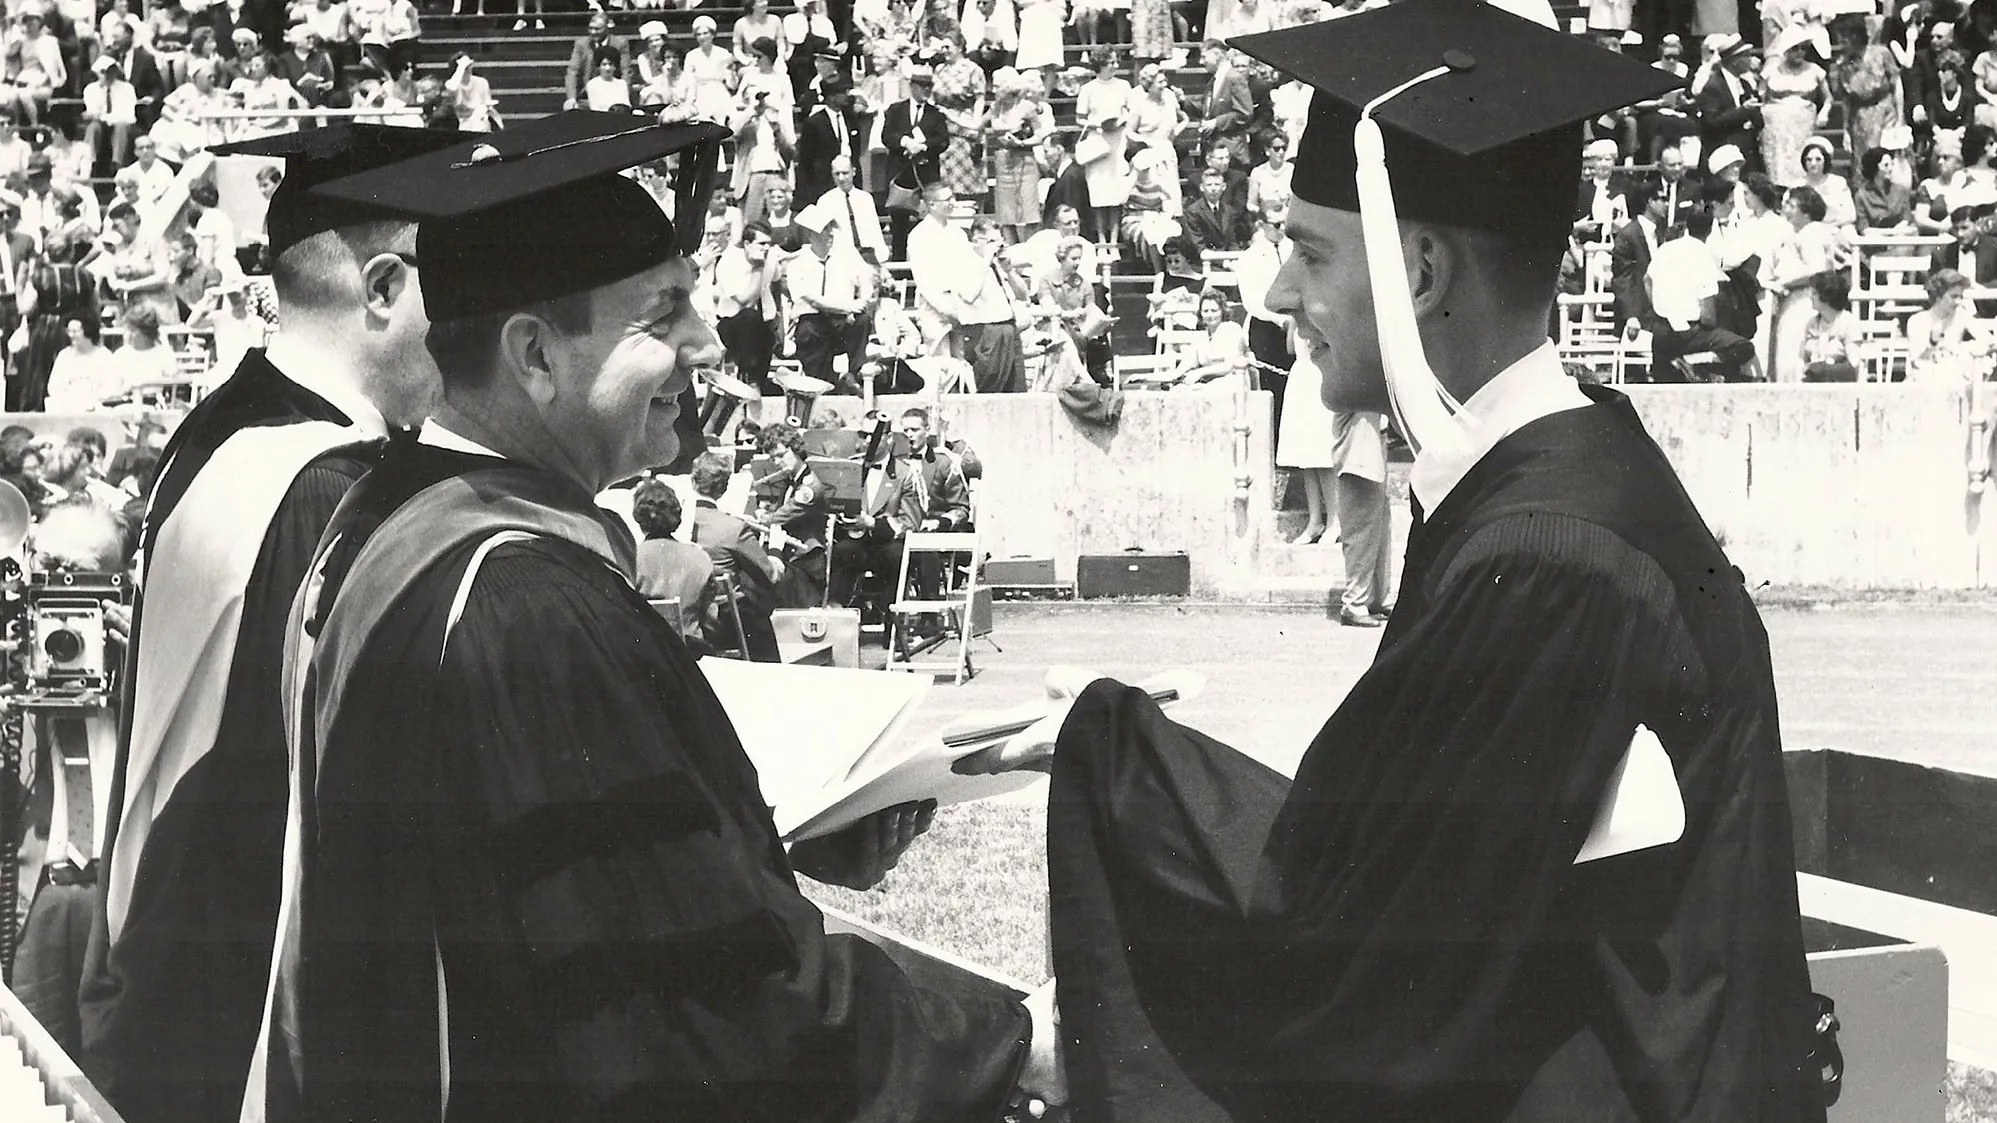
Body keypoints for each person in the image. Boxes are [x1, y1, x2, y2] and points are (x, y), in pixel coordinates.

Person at [973, 3, 1827, 1119]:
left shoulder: (1550, 554)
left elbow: (1365, 965)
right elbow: (1420, 844)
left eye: (1309, 252)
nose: (1278, 297)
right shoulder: (1554, 479)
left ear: (1417, 269)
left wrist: (1121, 760)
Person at [250, 112, 1059, 1123]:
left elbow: (538, 875)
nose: (708, 342)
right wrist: (1010, 1041)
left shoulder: (382, 521)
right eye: (662, 314)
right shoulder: (525, 604)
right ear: (534, 354)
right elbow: (700, 1005)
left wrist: (773, 837)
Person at [71, 125, 462, 1123]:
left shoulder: (221, 432)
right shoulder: (323, 486)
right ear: (384, 290)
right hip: (250, 991)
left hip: (175, 950)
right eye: (453, 277)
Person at [686, 450, 783, 661]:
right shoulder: (733, 528)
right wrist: (776, 550)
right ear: (724, 489)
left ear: (693, 482)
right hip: (723, 622)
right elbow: (770, 577)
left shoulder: (676, 522)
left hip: (689, 618)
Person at [1647, 204, 1760, 381]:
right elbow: (1708, 317)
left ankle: (1684, 363)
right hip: (1688, 334)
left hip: (1661, 331)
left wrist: (1659, 306)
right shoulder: (1704, 256)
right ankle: (1695, 363)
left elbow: (1647, 280)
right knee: (1743, 347)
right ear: (1709, 230)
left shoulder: (1666, 248)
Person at [786, 205, 872, 389]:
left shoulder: (847, 256)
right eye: (824, 230)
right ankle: (821, 382)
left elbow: (866, 277)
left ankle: (856, 375)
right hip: (814, 323)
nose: (830, 234)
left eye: (830, 229)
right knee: (809, 329)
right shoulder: (798, 264)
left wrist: (863, 301)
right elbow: (813, 300)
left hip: (843, 323)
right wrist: (848, 306)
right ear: (810, 235)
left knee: (862, 320)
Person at [1767, 184, 1844, 380]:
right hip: (1795, 300)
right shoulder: (1802, 232)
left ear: (1806, 211)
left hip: (1802, 302)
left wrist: (1784, 283)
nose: (1786, 211)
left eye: (1792, 206)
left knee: (1792, 358)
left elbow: (1816, 270)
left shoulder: (1811, 232)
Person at [631, 477, 716, 639]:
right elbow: (710, 621)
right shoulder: (700, 557)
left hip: (646, 650)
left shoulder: (630, 557)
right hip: (691, 652)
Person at [706, 221, 783, 392]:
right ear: (747, 244)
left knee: (762, 326)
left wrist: (778, 315)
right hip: (731, 324)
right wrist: (758, 269)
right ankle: (751, 381)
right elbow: (747, 302)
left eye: (769, 244)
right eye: (762, 244)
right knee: (750, 317)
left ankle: (757, 383)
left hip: (763, 323)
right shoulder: (729, 262)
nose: (766, 248)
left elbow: (777, 283)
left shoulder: (770, 258)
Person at [881, 64, 948, 259]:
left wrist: (924, 146)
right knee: (899, 229)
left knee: (928, 226)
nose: (926, 90)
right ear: (912, 86)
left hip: (926, 179)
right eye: (922, 86)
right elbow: (887, 135)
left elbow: (943, 140)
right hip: (901, 176)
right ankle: (900, 271)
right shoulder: (896, 110)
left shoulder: (935, 114)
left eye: (929, 86)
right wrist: (905, 142)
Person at [1074, 46, 1133, 244]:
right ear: (1100, 65)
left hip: (1118, 142)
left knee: (1117, 194)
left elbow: (1131, 112)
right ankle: (1101, 240)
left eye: (1117, 62)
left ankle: (1114, 241)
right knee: (1099, 195)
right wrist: (1098, 124)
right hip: (1097, 142)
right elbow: (1080, 118)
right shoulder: (1088, 89)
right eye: (1111, 62)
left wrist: (1121, 120)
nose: (1116, 66)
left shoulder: (1124, 86)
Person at [1761, 24, 1831, 188]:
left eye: (1802, 48)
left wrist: (1824, 112)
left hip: (1802, 124)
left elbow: (1828, 98)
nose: (1799, 52)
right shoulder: (1772, 70)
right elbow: (1761, 97)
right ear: (1786, 50)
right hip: (1776, 127)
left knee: (1801, 163)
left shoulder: (1814, 70)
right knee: (1778, 167)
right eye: (1795, 48)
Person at [1904, 265, 1990, 378]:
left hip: (1953, 377)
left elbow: (1988, 339)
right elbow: (1917, 361)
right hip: (1924, 379)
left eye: (1961, 297)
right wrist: (1933, 342)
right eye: (1953, 296)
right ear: (1938, 296)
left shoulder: (1961, 315)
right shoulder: (1917, 321)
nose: (1958, 301)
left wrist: (1967, 348)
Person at [1696, 33, 1763, 164]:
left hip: (1748, 153)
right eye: (1746, 56)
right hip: (1723, 154)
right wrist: (1743, 111)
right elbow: (1712, 123)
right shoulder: (1713, 86)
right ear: (1734, 61)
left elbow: (1759, 120)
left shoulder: (1746, 84)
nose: (1750, 59)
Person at [44, 314, 126, 411]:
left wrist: (93, 398)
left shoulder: (104, 356)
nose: (71, 335)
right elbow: (54, 386)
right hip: (68, 410)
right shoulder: (64, 356)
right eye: (69, 331)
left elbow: (112, 386)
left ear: (88, 331)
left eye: (75, 331)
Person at [1799, 268, 1862, 381]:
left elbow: (1853, 365)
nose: (1810, 297)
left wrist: (1823, 369)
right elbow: (1801, 360)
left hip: (1839, 386)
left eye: (1814, 293)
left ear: (1826, 296)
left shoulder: (1849, 323)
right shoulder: (1812, 324)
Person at [562, 10, 629, 112]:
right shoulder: (582, 44)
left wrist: (622, 96)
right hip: (588, 94)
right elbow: (573, 71)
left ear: (607, 27)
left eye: (597, 29)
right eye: (591, 28)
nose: (593, 32)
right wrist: (571, 98)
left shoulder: (620, 43)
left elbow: (626, 71)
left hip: (612, 92)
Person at [1853, 144, 1916, 232]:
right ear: (1874, 167)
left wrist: (1897, 231)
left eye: (1892, 164)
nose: (1891, 168)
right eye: (1886, 165)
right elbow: (1864, 229)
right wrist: (1889, 233)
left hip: (1900, 238)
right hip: (1875, 241)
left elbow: (1906, 218)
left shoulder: (1901, 190)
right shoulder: (1861, 196)